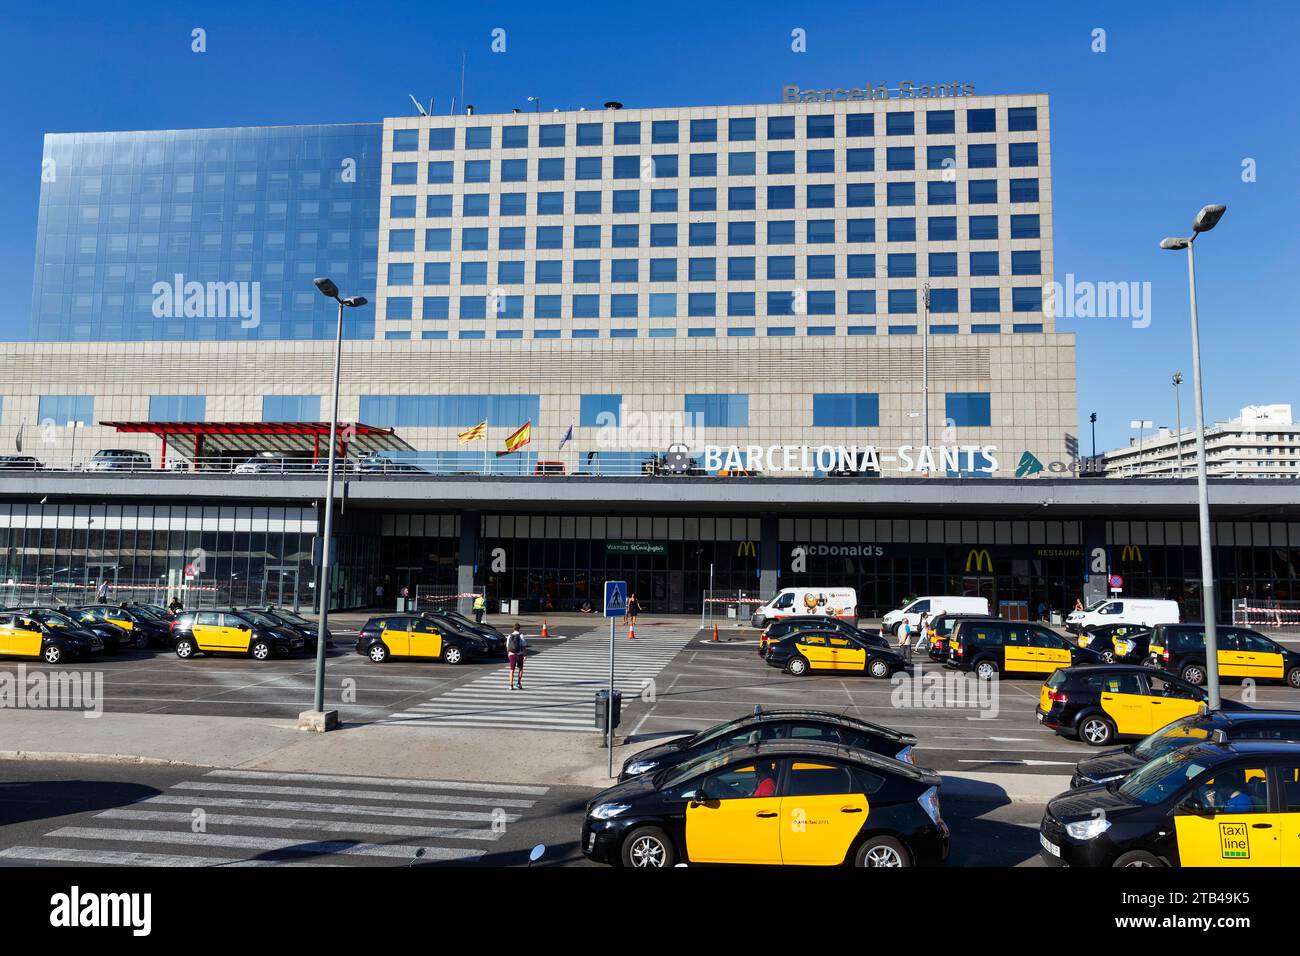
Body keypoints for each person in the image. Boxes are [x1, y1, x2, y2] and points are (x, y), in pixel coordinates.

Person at [506, 623, 527, 690]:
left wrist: (509, 654)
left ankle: (511, 685)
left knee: (512, 670)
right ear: (519, 628)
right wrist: (525, 655)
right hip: (519, 654)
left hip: (511, 655)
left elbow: (507, 647)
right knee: (520, 669)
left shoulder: (509, 636)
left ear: (513, 628)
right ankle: (518, 683)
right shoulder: (521, 636)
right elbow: (523, 646)